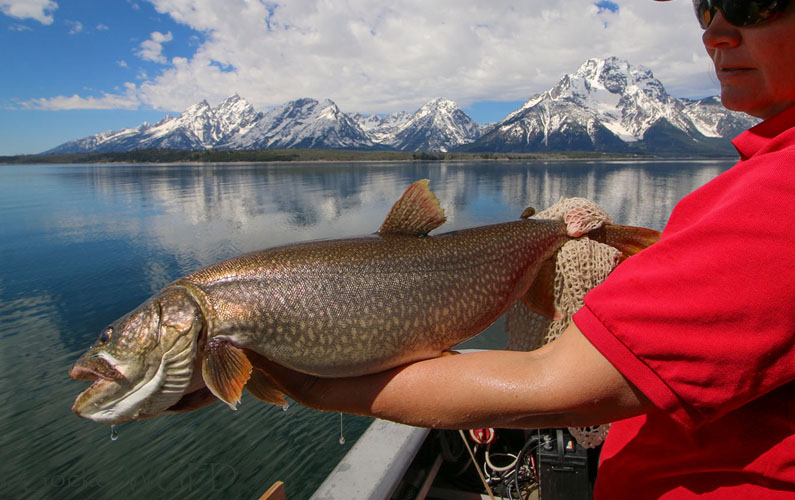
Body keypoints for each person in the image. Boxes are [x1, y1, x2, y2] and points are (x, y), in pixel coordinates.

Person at [259, 1, 795, 497]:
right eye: (705, 6)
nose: (716, 33)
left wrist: (309, 382)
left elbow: (548, 385)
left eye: (754, 1)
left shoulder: (778, 198)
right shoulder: (759, 173)